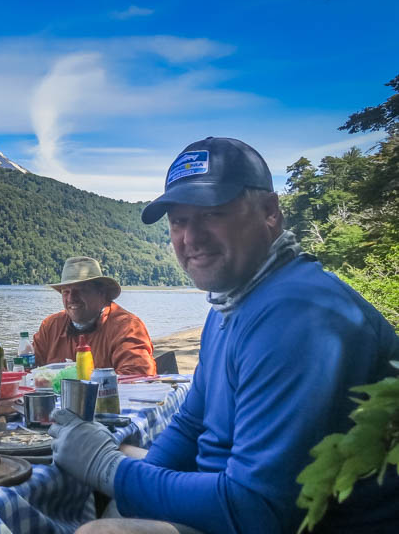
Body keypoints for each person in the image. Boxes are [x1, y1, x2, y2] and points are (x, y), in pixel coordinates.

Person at [48, 137, 399, 534]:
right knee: (116, 467)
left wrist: (108, 469)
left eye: (212, 214)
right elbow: (190, 424)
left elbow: (258, 510)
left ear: (270, 213)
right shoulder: (230, 305)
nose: (191, 238)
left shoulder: (299, 314)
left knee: (101, 529)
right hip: (239, 498)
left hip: (300, 522)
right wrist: (125, 477)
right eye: (179, 222)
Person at [33, 256, 156, 375]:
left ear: (102, 293)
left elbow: (138, 377)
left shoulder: (127, 327)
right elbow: (28, 369)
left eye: (80, 290)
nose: (71, 298)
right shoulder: (51, 326)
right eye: (66, 291)